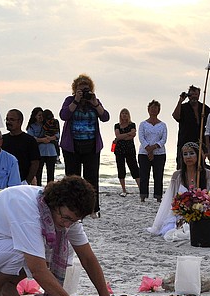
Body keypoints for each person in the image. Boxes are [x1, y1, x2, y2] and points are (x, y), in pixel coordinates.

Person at [59, 74, 110, 213]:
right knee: (72, 179)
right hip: (72, 146)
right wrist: (75, 101)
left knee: (92, 179)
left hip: (91, 146)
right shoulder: (70, 100)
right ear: (75, 90)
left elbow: (105, 117)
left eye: (86, 89)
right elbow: (64, 115)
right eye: (80, 90)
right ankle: (71, 207)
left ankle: (92, 208)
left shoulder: (94, 101)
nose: (84, 92)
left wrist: (95, 103)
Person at [146, 142, 210, 238]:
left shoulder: (208, 175)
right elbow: (172, 199)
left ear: (198, 155)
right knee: (173, 231)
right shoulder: (177, 175)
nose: (188, 157)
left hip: (201, 212)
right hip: (180, 212)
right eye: (185, 154)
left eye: (191, 153)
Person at [172, 85, 210, 168]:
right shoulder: (183, 107)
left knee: (199, 166)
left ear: (199, 95)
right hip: (184, 141)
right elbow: (176, 116)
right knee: (182, 166)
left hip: (200, 142)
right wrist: (180, 101)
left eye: (196, 94)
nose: (194, 97)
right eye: (191, 95)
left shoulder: (204, 108)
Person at [138, 100, 168, 202]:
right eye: (152, 108)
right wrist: (148, 149)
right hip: (144, 152)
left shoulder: (163, 125)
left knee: (158, 175)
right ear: (148, 109)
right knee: (144, 175)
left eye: (156, 108)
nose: (153, 110)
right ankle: (143, 196)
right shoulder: (143, 124)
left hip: (159, 153)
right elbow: (141, 137)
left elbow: (163, 139)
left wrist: (154, 147)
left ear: (159, 110)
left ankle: (158, 196)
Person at [2, 109, 40, 185]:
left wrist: (27, 181)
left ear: (20, 122)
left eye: (12, 120)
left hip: (22, 181)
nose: (8, 122)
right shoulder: (2, 140)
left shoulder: (29, 140)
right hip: (4, 181)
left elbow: (35, 163)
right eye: (7, 119)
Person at [26, 107, 58, 186]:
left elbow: (57, 135)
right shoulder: (32, 126)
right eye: (39, 115)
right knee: (38, 174)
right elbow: (31, 138)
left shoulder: (50, 123)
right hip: (39, 152)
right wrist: (42, 140)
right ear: (35, 116)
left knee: (51, 174)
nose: (41, 117)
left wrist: (49, 138)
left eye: (42, 115)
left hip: (51, 152)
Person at [112, 108, 139, 197]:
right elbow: (118, 136)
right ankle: (123, 189)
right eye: (122, 113)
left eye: (126, 113)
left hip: (130, 149)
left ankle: (141, 188)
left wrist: (122, 137)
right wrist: (128, 134)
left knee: (134, 168)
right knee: (121, 168)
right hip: (119, 150)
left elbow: (133, 135)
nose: (124, 115)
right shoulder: (117, 125)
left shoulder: (132, 124)